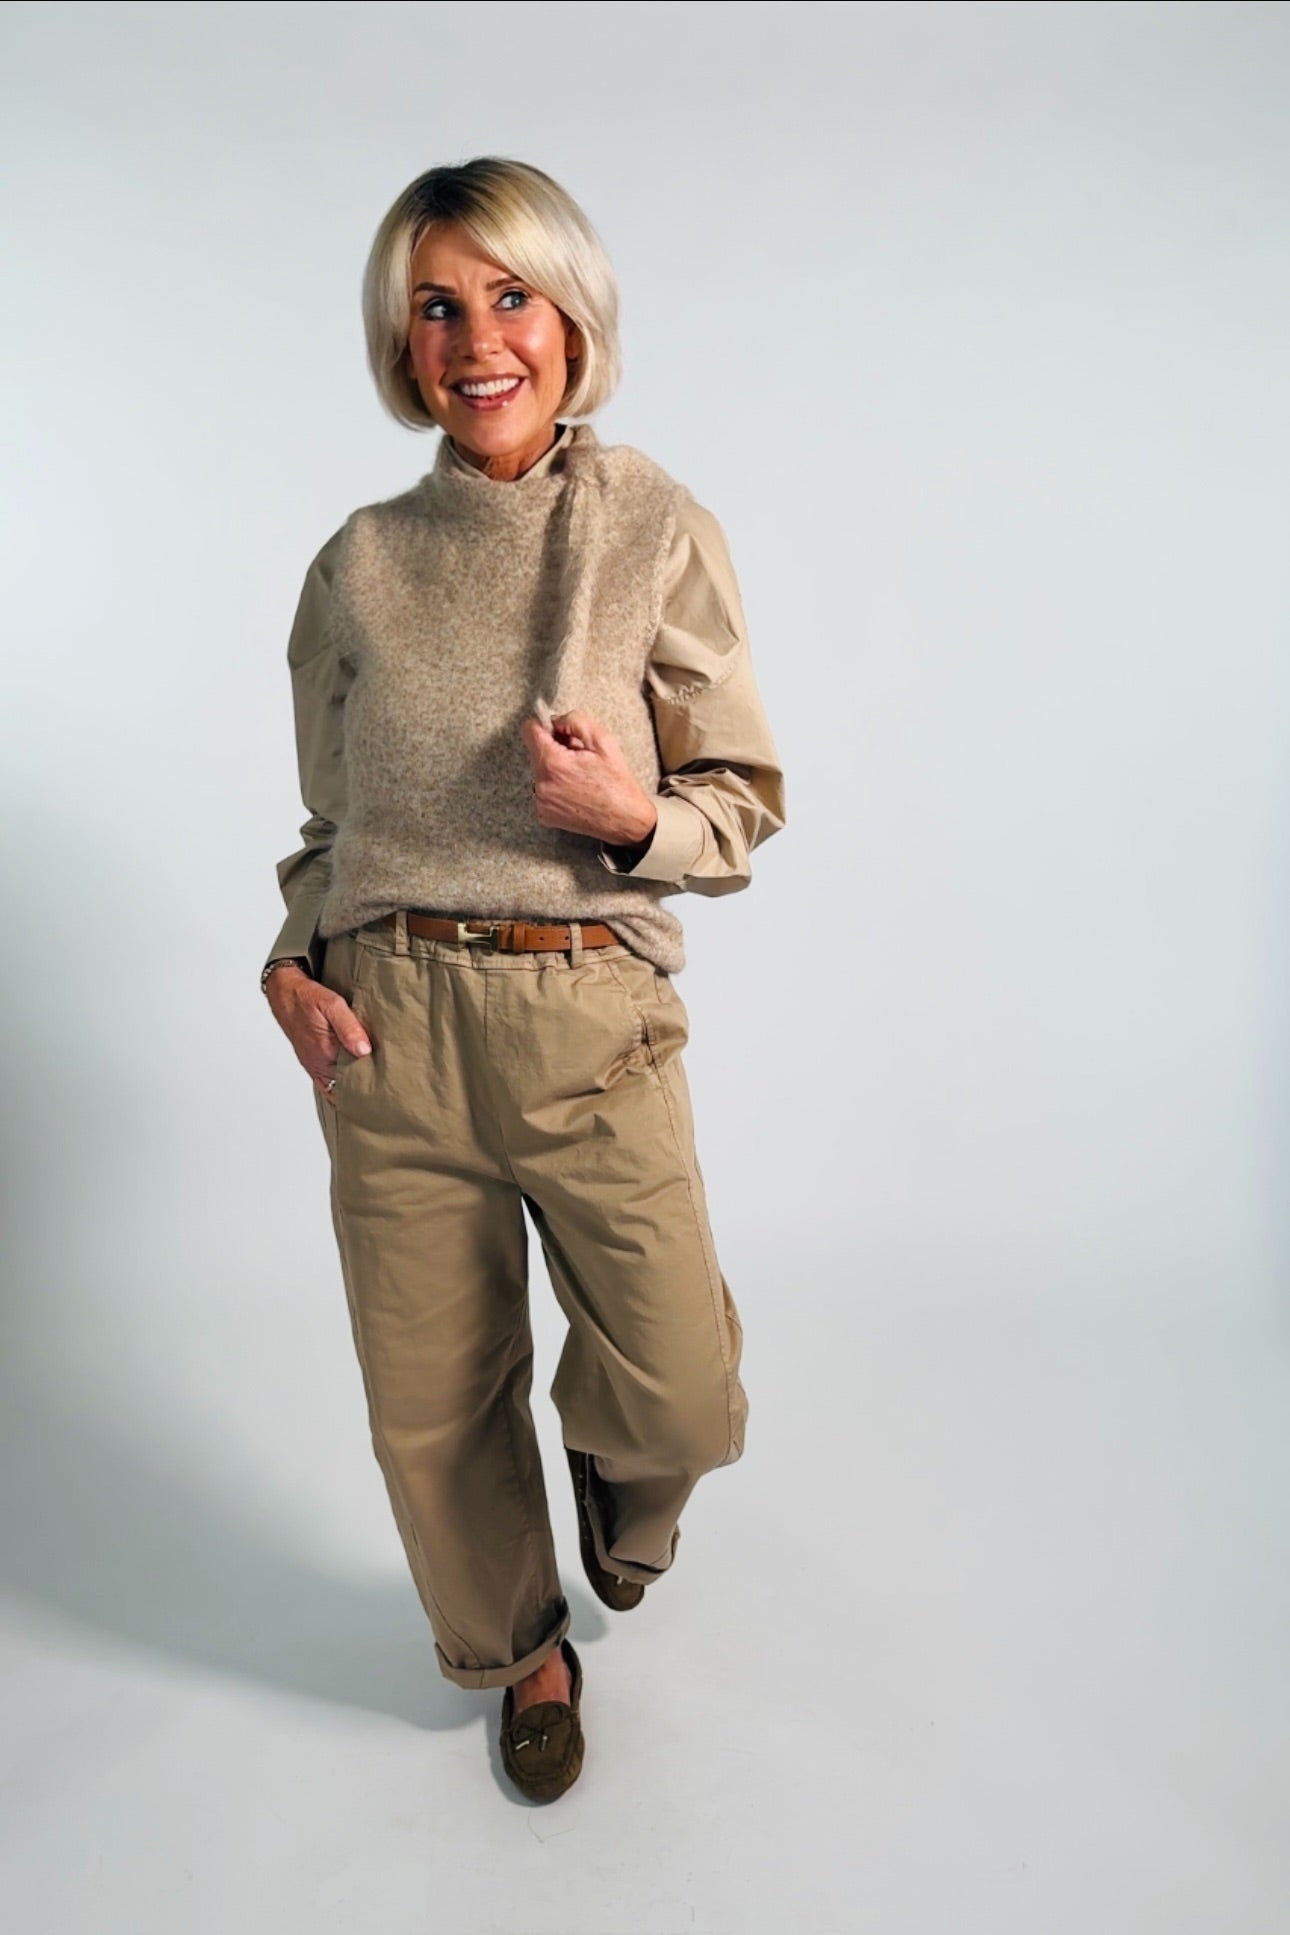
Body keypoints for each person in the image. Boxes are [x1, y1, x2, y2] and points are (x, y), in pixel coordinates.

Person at [260, 156, 786, 1803]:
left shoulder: (651, 528)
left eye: (510, 297)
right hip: (388, 1027)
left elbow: (740, 800)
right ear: (399, 342)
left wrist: (631, 819)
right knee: (430, 1406)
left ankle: (618, 1490)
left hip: (587, 1023)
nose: (476, 340)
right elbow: (329, 827)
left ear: (571, 318)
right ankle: (518, 1654)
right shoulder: (357, 563)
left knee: (680, 1394)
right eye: (436, 306)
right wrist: (290, 956)